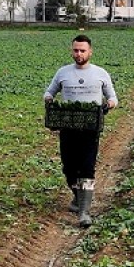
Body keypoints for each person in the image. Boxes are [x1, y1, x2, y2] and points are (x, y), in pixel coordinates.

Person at [44, 35, 118, 227]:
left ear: (90, 52)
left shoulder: (100, 73)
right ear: (72, 51)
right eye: (76, 50)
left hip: (90, 127)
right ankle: (78, 196)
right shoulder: (63, 73)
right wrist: (48, 99)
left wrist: (108, 104)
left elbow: (113, 98)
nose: (79, 54)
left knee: (86, 167)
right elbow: (50, 92)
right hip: (68, 126)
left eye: (82, 50)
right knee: (69, 168)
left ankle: (84, 212)